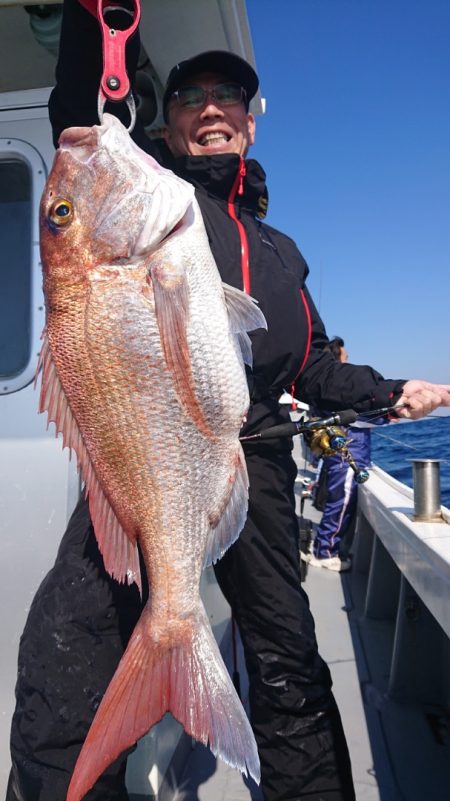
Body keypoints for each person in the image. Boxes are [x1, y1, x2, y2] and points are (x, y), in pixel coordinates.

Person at [7, 2, 450, 801]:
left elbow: (311, 364)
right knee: (61, 663)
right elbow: (82, 113)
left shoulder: (281, 254)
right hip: (143, 467)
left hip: (260, 469)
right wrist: (93, 19)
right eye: (190, 98)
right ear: (165, 127)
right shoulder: (153, 194)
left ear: (249, 122)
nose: (211, 109)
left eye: (229, 97)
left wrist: (392, 390)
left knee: (289, 665)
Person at [307, 337, 385, 572]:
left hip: (340, 454)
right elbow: (359, 416)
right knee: (341, 502)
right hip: (347, 455)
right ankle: (325, 552)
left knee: (337, 500)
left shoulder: (328, 392)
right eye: (346, 358)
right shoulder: (338, 391)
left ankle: (324, 545)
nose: (348, 361)